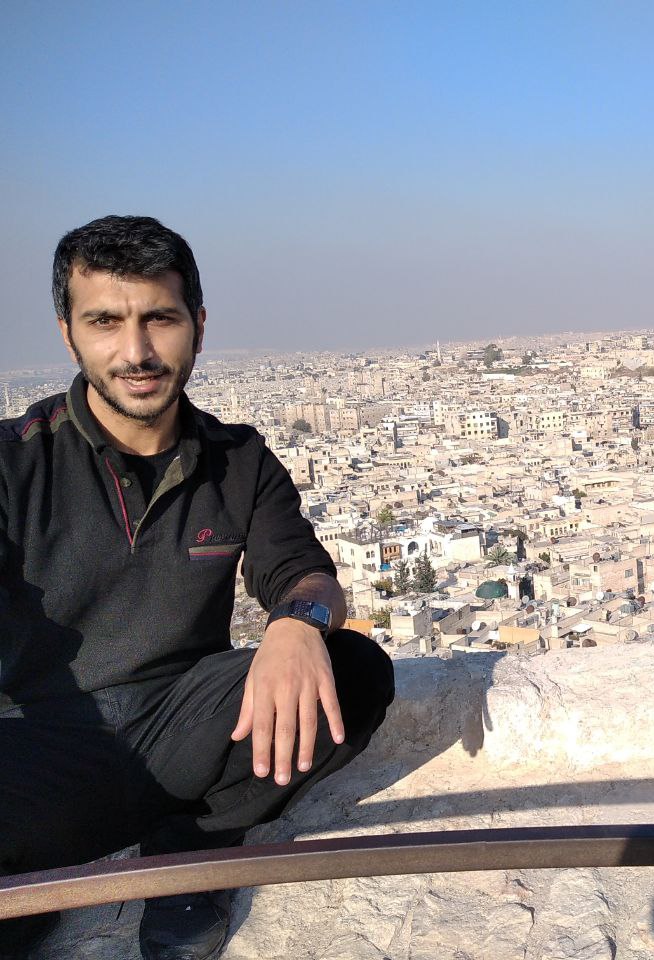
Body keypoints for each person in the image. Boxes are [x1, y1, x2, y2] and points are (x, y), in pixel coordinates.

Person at [0, 216, 396, 960]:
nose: (136, 351)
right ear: (68, 335)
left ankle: (189, 849)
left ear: (199, 326)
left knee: (355, 673)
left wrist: (296, 624)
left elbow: (305, 574)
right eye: (105, 321)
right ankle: (31, 885)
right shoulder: (14, 463)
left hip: (182, 720)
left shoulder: (237, 459)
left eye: (160, 318)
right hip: (43, 742)